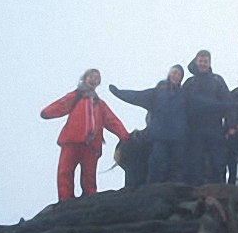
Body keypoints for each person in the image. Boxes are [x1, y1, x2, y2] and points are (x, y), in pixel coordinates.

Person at [41, 69, 130, 201]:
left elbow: (112, 121)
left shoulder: (100, 104)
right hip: (72, 141)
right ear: (85, 78)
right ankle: (65, 199)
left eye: (96, 78)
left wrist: (125, 136)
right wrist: (46, 113)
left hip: (92, 145)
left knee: (89, 174)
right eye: (91, 76)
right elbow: (60, 106)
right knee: (65, 171)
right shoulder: (75, 96)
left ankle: (90, 197)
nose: (93, 79)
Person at [110, 65, 187, 184]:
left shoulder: (184, 96)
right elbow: (136, 96)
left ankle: (175, 187)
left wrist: (223, 105)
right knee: (157, 161)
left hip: (176, 137)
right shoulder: (157, 93)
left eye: (179, 74)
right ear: (169, 74)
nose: (175, 76)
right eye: (174, 72)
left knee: (177, 163)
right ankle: (151, 187)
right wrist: (119, 93)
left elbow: (201, 104)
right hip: (159, 136)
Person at [182, 50, 233, 186]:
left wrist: (230, 125)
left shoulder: (217, 80)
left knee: (218, 160)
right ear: (196, 62)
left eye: (206, 61)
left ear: (209, 63)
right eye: (201, 61)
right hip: (194, 128)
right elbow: (181, 105)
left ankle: (220, 188)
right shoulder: (189, 82)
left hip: (215, 127)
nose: (203, 64)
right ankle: (196, 190)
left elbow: (228, 103)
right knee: (195, 160)